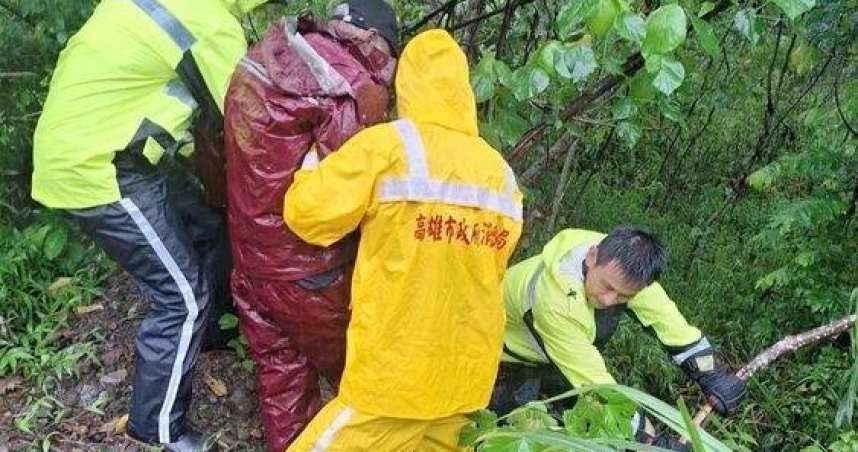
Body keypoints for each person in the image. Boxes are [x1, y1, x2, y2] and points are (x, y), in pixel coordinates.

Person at [30, 1, 271, 450]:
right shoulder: (211, 24)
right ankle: (158, 430)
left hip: (96, 152)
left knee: (205, 222)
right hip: (102, 169)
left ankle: (214, 333)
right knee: (182, 298)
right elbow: (248, 121)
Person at [283, 29, 524, 452]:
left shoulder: (392, 146)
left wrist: (309, 165)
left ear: (406, 86)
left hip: (395, 372)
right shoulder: (500, 172)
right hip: (466, 377)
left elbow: (309, 216)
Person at [222, 1, 398, 450]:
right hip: (309, 273)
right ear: (376, 42)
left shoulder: (266, 54)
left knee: (282, 382)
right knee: (364, 377)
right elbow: (347, 196)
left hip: (249, 263)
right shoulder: (351, 87)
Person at [491, 227, 746, 450]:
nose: (609, 300)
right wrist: (649, 442)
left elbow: (669, 323)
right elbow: (596, 384)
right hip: (503, 361)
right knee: (503, 436)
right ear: (591, 257)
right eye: (607, 287)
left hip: (558, 358)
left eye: (623, 296)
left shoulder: (626, 267)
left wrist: (712, 374)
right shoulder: (554, 298)